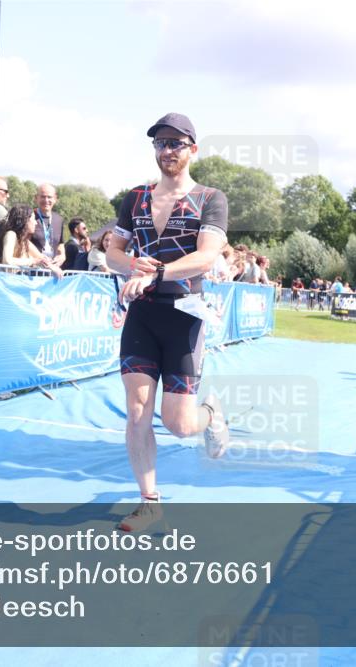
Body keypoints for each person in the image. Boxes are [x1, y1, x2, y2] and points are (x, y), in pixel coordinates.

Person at [105, 113, 230, 532]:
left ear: (192, 149)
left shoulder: (210, 198)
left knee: (178, 424)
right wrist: (129, 265)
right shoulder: (136, 197)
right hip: (142, 314)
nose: (166, 150)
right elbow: (113, 254)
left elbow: (206, 256)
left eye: (176, 143)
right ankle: (149, 502)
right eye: (160, 143)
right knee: (137, 410)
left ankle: (211, 414)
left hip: (184, 314)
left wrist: (156, 273)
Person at [0, 205, 63, 276]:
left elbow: (40, 257)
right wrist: (33, 261)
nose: (36, 223)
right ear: (25, 220)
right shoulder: (11, 235)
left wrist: (53, 267)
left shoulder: (25, 241)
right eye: (34, 219)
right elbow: (7, 260)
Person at [30, 183, 66, 266]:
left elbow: (61, 243)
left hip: (51, 272)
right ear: (36, 198)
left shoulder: (59, 220)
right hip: (32, 271)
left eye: (49, 197)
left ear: (55, 199)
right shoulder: (30, 217)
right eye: (43, 196)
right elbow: (24, 242)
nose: (46, 200)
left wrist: (62, 256)